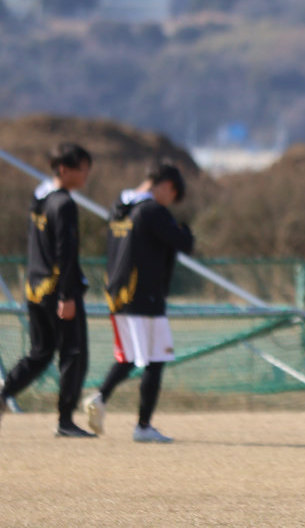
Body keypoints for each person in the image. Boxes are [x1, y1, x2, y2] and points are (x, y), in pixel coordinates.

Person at [83, 161, 194, 443]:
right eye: (173, 196)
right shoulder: (152, 210)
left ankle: (100, 397)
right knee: (156, 359)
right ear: (167, 186)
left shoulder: (119, 207)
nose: (170, 202)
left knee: (130, 357)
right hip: (145, 294)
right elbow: (183, 242)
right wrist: (185, 230)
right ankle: (143, 426)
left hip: (119, 292)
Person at [0, 143, 94, 437]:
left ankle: (3, 393)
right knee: (75, 354)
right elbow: (65, 253)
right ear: (63, 169)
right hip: (58, 290)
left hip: (34, 287)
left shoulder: (39, 198)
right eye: (82, 169)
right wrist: (68, 296)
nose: (86, 175)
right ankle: (65, 421)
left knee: (40, 353)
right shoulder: (64, 204)